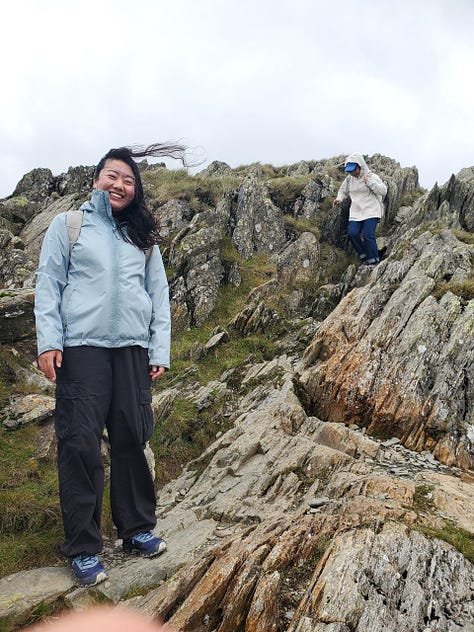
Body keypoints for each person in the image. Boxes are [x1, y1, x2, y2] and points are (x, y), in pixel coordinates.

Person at [34, 143, 186, 587]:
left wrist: (159, 350)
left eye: (128, 180)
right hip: (81, 347)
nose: (119, 184)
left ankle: (136, 529)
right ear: (97, 179)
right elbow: (49, 284)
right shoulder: (70, 226)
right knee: (80, 444)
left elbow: (158, 295)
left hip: (132, 351)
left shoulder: (141, 237)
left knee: (131, 438)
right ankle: (83, 549)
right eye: (112, 176)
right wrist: (49, 342)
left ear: (135, 190)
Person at [334, 152, 387, 265]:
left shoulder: (371, 176)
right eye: (349, 171)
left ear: (360, 165)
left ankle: (374, 260)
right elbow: (342, 190)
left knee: (368, 235)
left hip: (371, 210)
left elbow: (383, 190)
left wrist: (370, 183)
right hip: (356, 211)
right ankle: (364, 255)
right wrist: (339, 199)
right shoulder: (349, 180)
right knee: (353, 233)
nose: (352, 173)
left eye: (354, 170)